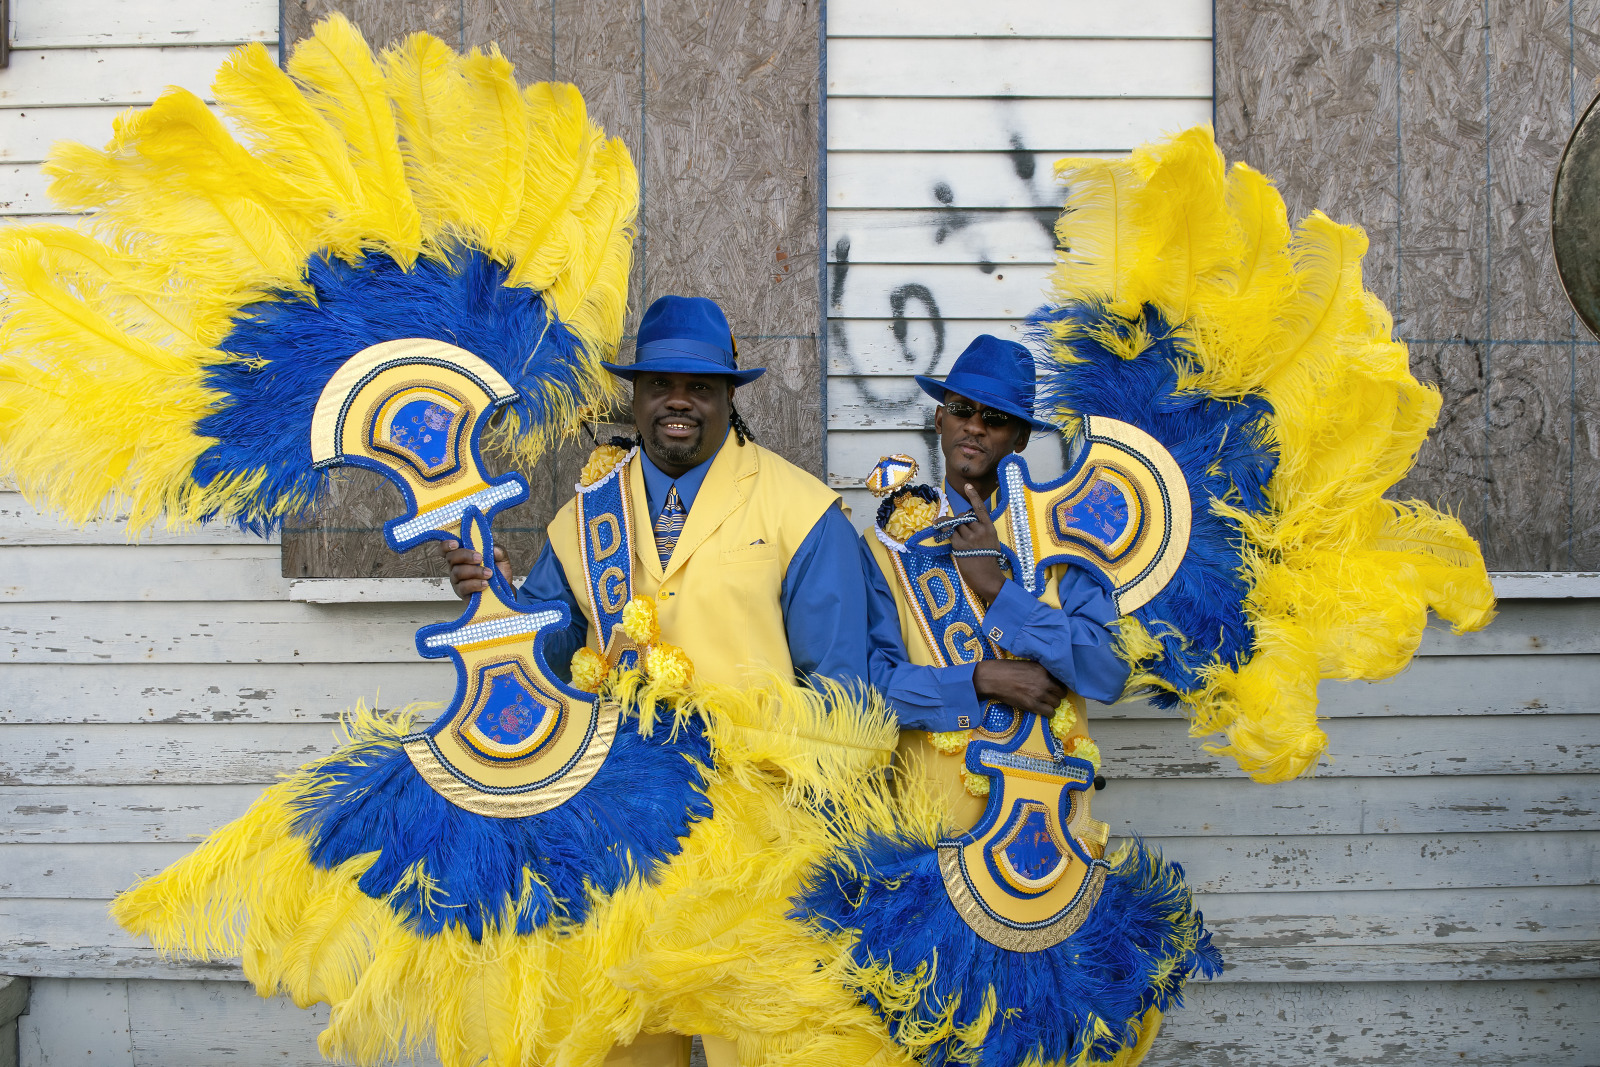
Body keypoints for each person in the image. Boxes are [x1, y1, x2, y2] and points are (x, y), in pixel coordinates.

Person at [439, 294, 945, 1066]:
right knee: (625, 1047)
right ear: (636, 397)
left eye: (700, 386)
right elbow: (542, 665)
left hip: (764, 852)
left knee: (765, 1051)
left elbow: (847, 702)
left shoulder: (800, 510)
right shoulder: (583, 521)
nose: (679, 401)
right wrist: (495, 601)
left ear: (728, 397)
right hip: (623, 848)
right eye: (661, 384)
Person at [860, 333, 1129, 821]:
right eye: (963, 409)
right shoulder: (885, 546)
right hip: (925, 832)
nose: (976, 427)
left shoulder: (1063, 536)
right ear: (940, 418)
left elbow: (1107, 673)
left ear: (1021, 437)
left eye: (997, 418)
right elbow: (867, 691)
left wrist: (997, 591)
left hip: (1053, 835)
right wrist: (981, 678)